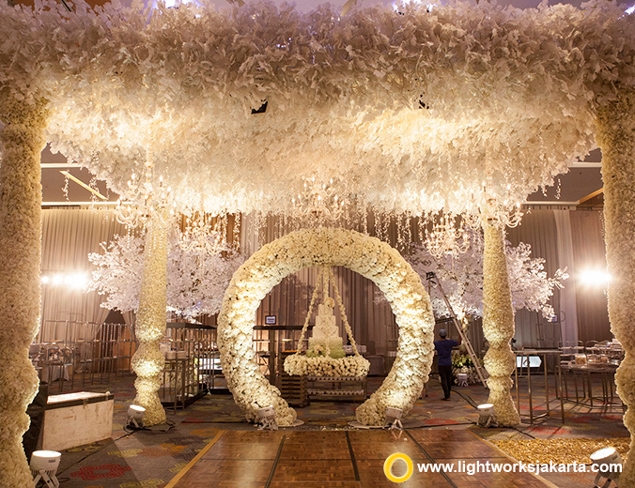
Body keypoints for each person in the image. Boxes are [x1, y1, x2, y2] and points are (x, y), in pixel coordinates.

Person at [434, 328, 460, 401]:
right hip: (448, 363)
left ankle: (446, 395)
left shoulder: (437, 343)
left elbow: (431, 346)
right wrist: (460, 333)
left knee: (443, 379)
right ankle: (448, 392)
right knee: (448, 378)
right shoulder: (449, 342)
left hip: (441, 364)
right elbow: (459, 343)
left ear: (439, 335)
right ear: (446, 335)